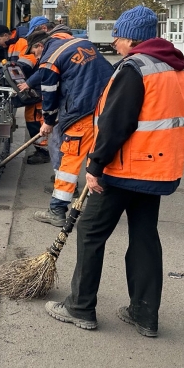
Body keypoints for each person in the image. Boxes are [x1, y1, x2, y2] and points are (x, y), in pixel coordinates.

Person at [45, 6, 184, 337]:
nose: (114, 42)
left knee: (90, 233)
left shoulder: (134, 69)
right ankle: (144, 315)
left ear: (132, 38)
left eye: (118, 36)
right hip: (158, 172)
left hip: (124, 169)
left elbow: (116, 123)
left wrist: (96, 165)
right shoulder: (179, 70)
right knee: (144, 237)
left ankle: (80, 307)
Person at [24, 23, 114, 227]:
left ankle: (57, 210)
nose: (36, 58)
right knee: (100, 155)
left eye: (34, 53)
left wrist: (47, 122)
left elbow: (48, 94)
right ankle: (98, 208)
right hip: (107, 105)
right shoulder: (80, 43)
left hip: (83, 111)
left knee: (69, 159)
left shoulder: (50, 58)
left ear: (39, 45)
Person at [15, 29, 50, 165]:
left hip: (39, 98)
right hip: (37, 96)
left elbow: (43, 72)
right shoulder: (46, 55)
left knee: (36, 125)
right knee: (33, 122)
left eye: (34, 52)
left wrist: (28, 84)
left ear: (39, 46)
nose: (34, 56)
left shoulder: (47, 58)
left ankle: (43, 153)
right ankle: (41, 150)